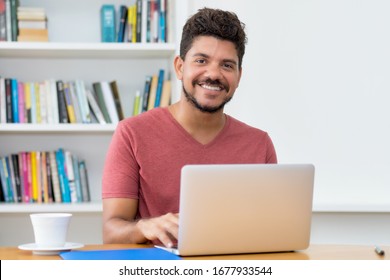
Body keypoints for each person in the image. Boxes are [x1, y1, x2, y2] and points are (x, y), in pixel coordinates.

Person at [102, 7, 277, 248]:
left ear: (238, 76)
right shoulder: (131, 133)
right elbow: (111, 231)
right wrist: (144, 226)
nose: (213, 74)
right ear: (180, 67)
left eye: (227, 65)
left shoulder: (260, 144)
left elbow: (271, 229)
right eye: (201, 61)